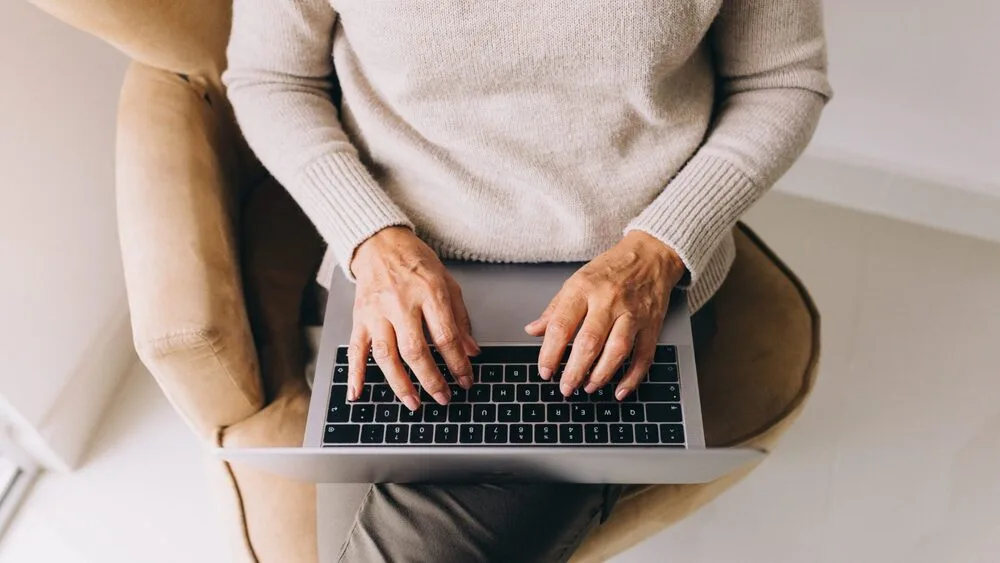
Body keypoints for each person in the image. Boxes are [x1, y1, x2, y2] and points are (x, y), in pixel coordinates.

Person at [224, 0, 832, 560]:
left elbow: (781, 81)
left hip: (626, 284)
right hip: (394, 270)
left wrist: (661, 249)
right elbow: (272, 78)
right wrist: (371, 238)